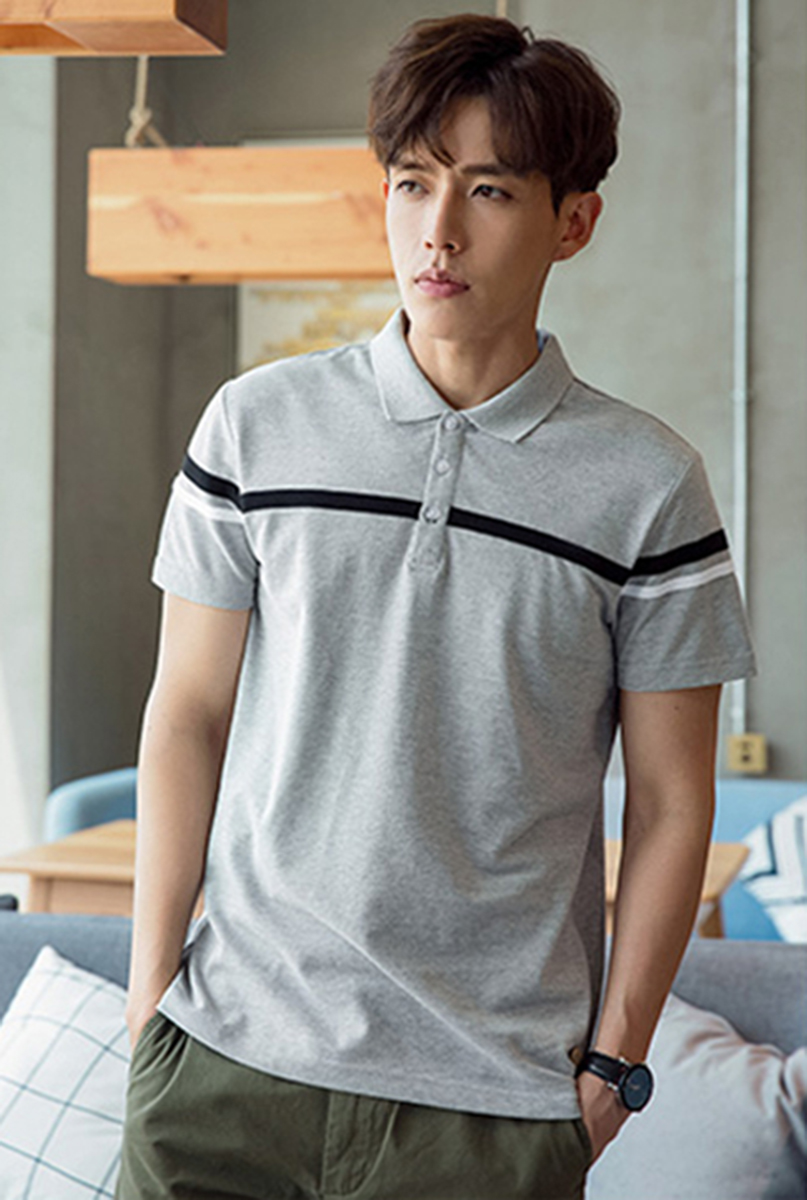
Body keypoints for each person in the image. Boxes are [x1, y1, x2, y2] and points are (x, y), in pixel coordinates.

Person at [115, 13, 757, 1200]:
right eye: (413, 183)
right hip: (223, 1071)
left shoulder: (648, 485)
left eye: (490, 190)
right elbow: (187, 713)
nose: (438, 230)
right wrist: (152, 994)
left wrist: (612, 1068)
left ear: (574, 221)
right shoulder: (255, 427)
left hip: (489, 1113)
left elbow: (674, 802)